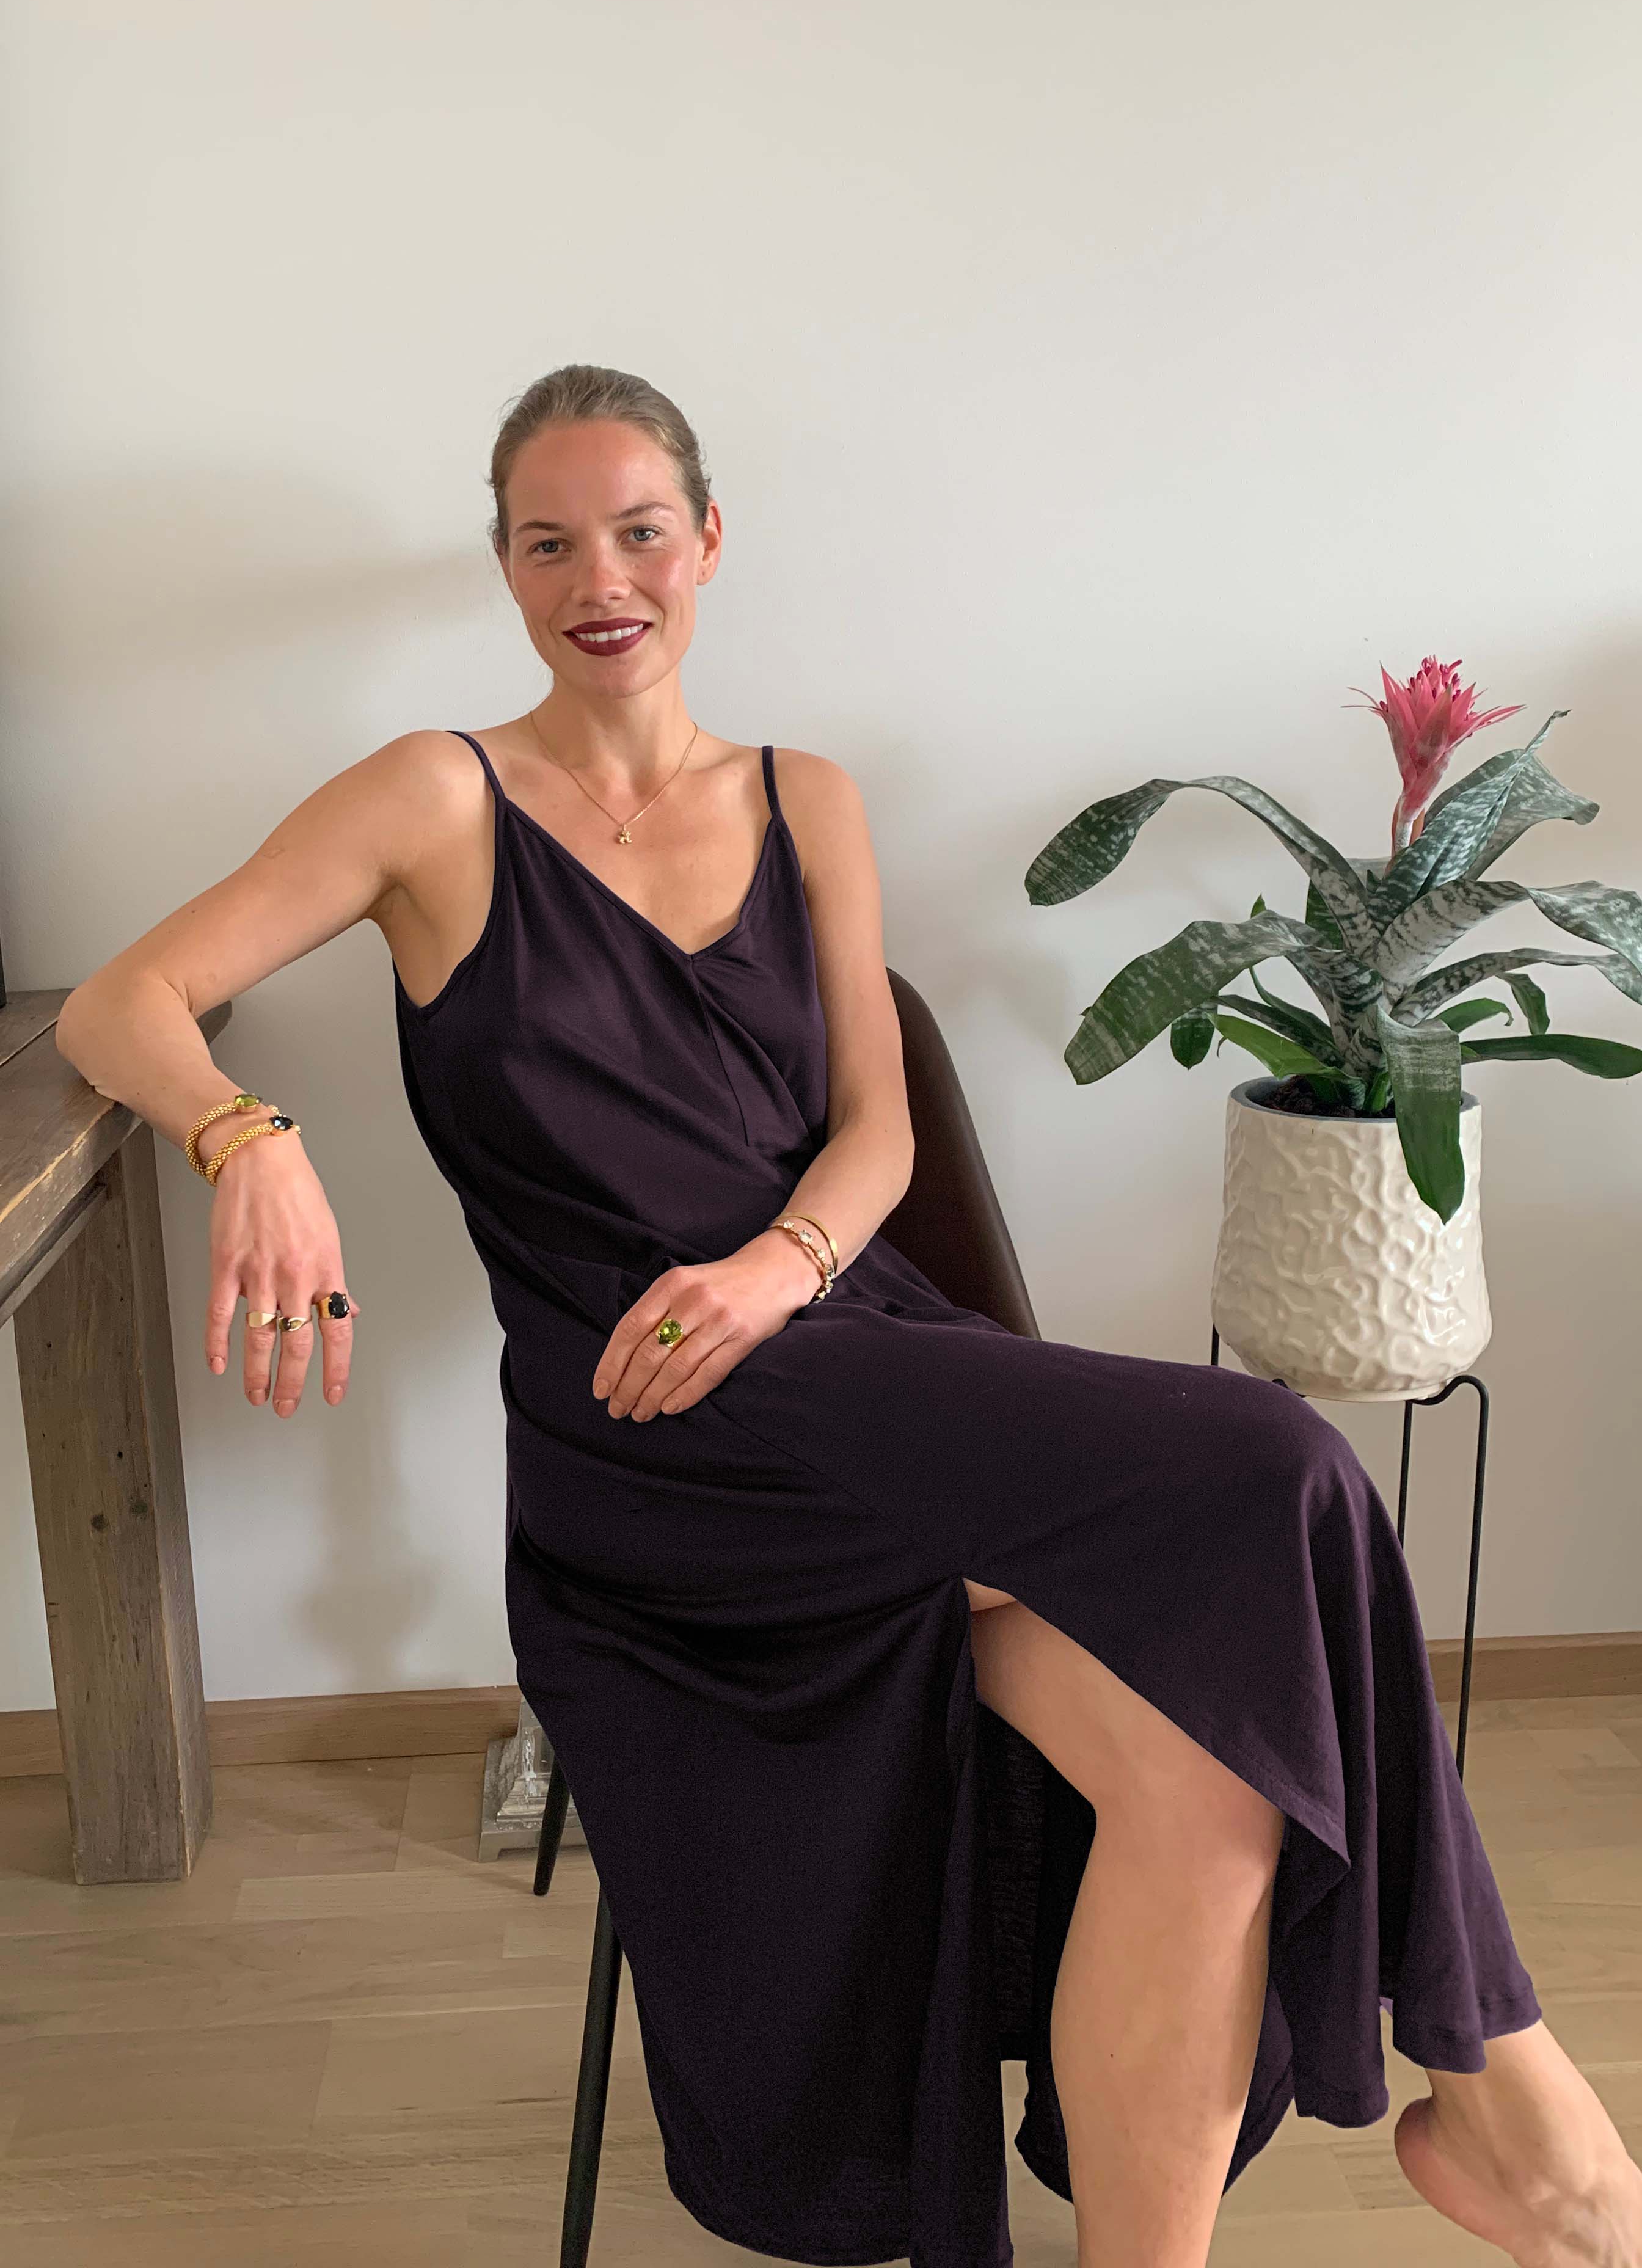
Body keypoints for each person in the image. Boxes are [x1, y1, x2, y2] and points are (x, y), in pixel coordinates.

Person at [56, 362, 1641, 2268]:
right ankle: (1508, 2083)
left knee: (1214, 1790)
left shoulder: (811, 800)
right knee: (1292, 1467)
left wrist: (774, 1267)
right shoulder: (433, 798)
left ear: (707, 543)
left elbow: (880, 1133)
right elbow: (118, 1000)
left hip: (850, 1356)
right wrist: (246, 1136)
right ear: (504, 570)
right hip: (647, 1440)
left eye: (640, 529)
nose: (600, 576)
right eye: (550, 541)